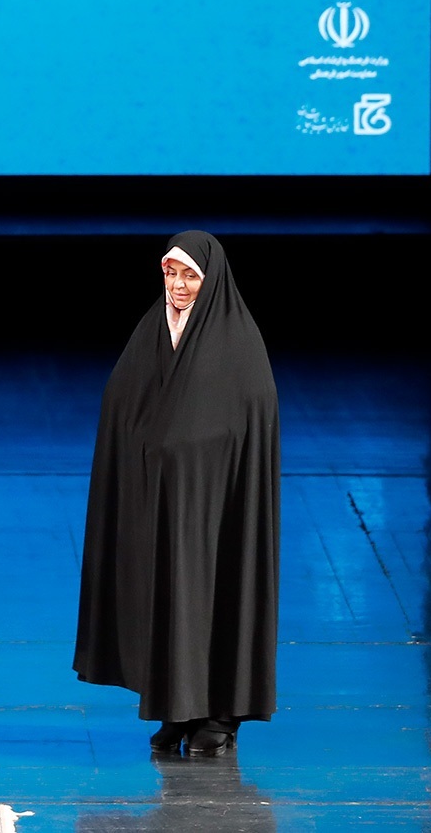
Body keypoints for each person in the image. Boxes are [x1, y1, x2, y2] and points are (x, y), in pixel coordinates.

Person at [73, 230, 280, 758]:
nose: (179, 286)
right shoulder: (153, 330)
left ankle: (219, 715)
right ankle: (177, 709)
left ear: (212, 281)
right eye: (171, 273)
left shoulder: (237, 342)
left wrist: (186, 446)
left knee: (212, 594)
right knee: (164, 595)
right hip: (161, 498)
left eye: (191, 276)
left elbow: (243, 419)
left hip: (215, 507)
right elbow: (122, 402)